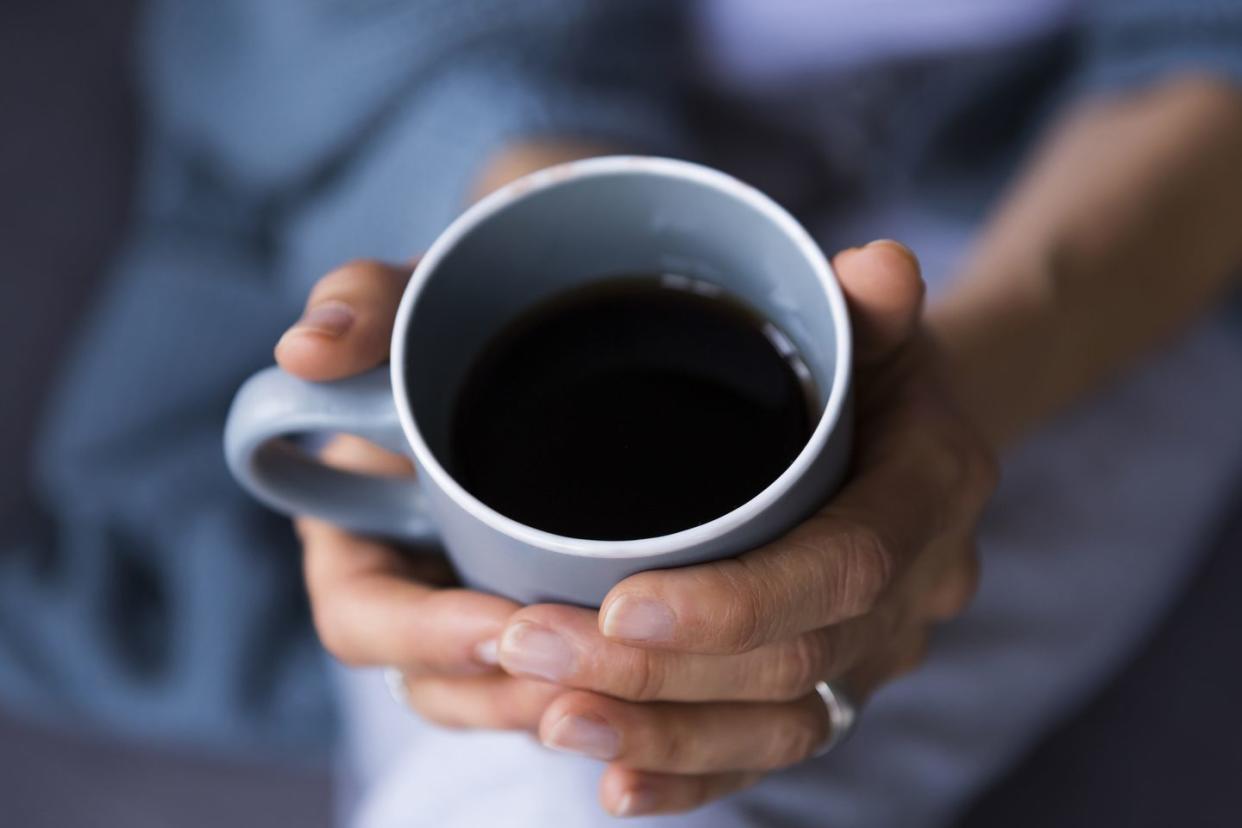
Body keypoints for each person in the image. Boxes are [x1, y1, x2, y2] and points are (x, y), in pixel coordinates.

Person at [3, 1, 1241, 826]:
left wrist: (966, 396)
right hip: (468, 103)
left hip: (1099, 199)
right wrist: (521, 219)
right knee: (579, 776)